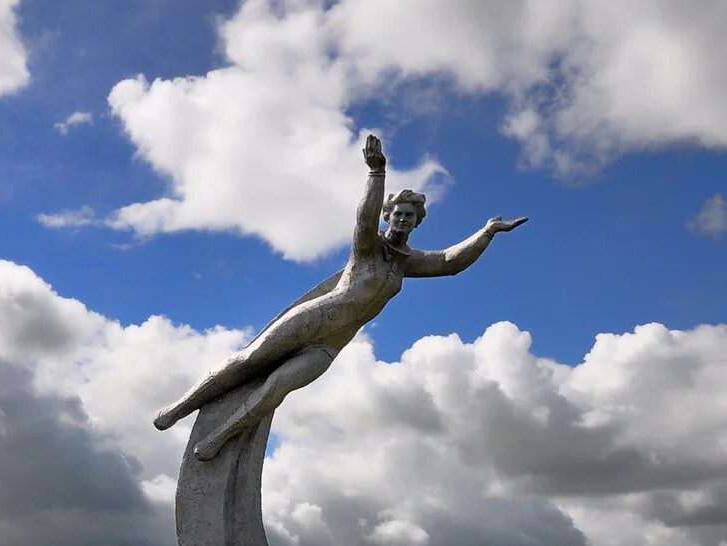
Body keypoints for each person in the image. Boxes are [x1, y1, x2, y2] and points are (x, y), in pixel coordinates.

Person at [153, 134, 528, 461]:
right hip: (315, 319)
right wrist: (376, 173)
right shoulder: (369, 247)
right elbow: (364, 219)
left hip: (330, 344)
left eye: (409, 217)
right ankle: (180, 407)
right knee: (250, 359)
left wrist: (486, 232)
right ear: (389, 217)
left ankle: (220, 439)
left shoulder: (406, 264)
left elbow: (450, 262)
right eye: (397, 214)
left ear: (418, 222)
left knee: (277, 388)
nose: (401, 221)